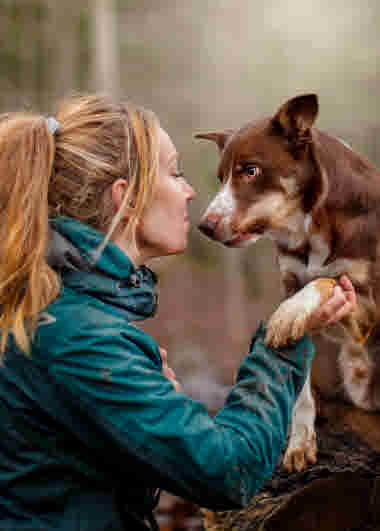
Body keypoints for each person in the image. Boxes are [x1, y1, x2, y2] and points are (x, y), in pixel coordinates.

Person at [0, 94, 355, 531]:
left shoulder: (61, 314)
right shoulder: (77, 337)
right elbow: (227, 471)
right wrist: (283, 345)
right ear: (125, 199)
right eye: (175, 173)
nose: (190, 192)